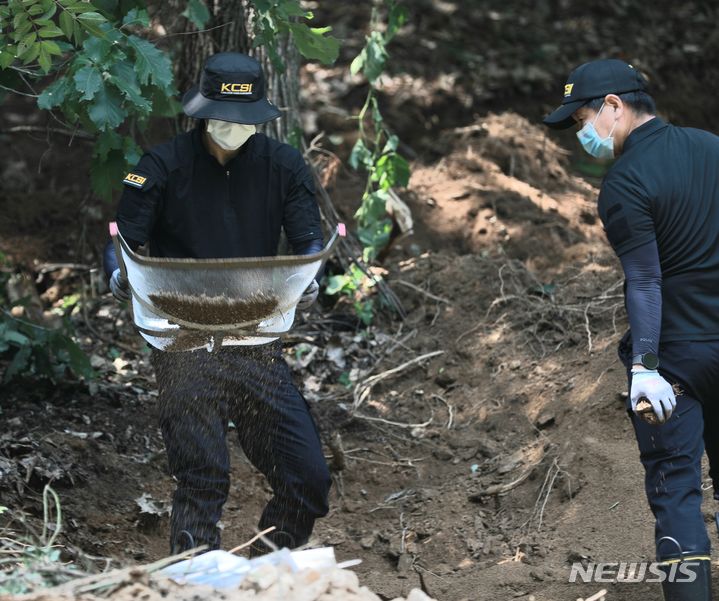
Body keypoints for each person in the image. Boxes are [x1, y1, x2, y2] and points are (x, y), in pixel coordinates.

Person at [103, 52, 331, 556]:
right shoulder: (160, 167)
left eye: (244, 121)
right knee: (203, 477)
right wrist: (120, 274)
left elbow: (309, 242)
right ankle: (196, 579)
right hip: (181, 335)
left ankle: (265, 571)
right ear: (201, 113)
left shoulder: (284, 167)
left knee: (307, 478)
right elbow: (124, 239)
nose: (234, 129)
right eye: (224, 120)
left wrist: (310, 276)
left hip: (255, 336)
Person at [544, 58, 719, 601]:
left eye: (581, 121)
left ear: (614, 107)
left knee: (677, 494)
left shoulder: (623, 181)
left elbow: (644, 280)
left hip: (677, 361)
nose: (581, 134)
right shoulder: (712, 147)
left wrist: (644, 366)